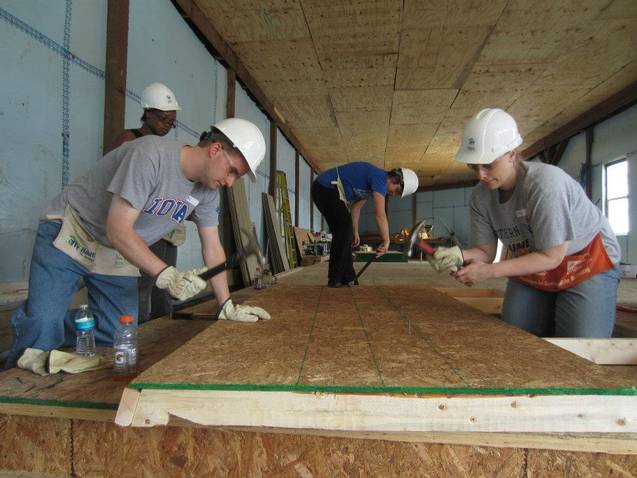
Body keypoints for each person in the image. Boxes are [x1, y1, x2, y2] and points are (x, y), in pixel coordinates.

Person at [6, 118, 271, 369]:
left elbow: (213, 246)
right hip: (74, 230)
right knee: (40, 332)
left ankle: (43, 322)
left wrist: (225, 305)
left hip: (114, 248)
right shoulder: (150, 155)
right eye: (232, 171)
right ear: (216, 149)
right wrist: (166, 275)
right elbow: (117, 228)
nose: (229, 182)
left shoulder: (207, 192)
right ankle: (37, 325)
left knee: (119, 330)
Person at [428, 108, 621, 337]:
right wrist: (460, 256)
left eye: (487, 164)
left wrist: (488, 272)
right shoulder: (480, 197)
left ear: (512, 154)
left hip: (586, 261)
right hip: (534, 262)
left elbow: (552, 256)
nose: (480, 174)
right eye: (473, 166)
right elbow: (485, 251)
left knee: (582, 344)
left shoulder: (545, 185)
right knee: (515, 335)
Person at [108, 82, 184, 323]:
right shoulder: (129, 139)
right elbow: (119, 181)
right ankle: (139, 335)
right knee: (141, 286)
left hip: (164, 227)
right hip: (138, 226)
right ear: (148, 112)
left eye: (171, 122)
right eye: (163, 119)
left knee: (166, 285)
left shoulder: (169, 148)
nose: (166, 126)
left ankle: (163, 331)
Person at [311, 162, 419, 288]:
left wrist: (355, 231)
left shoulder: (370, 187)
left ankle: (348, 277)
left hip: (328, 191)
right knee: (344, 229)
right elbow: (380, 214)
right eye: (397, 191)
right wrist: (386, 241)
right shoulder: (379, 178)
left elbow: (356, 208)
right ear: (396, 179)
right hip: (324, 188)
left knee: (345, 232)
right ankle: (335, 277)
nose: (394, 194)